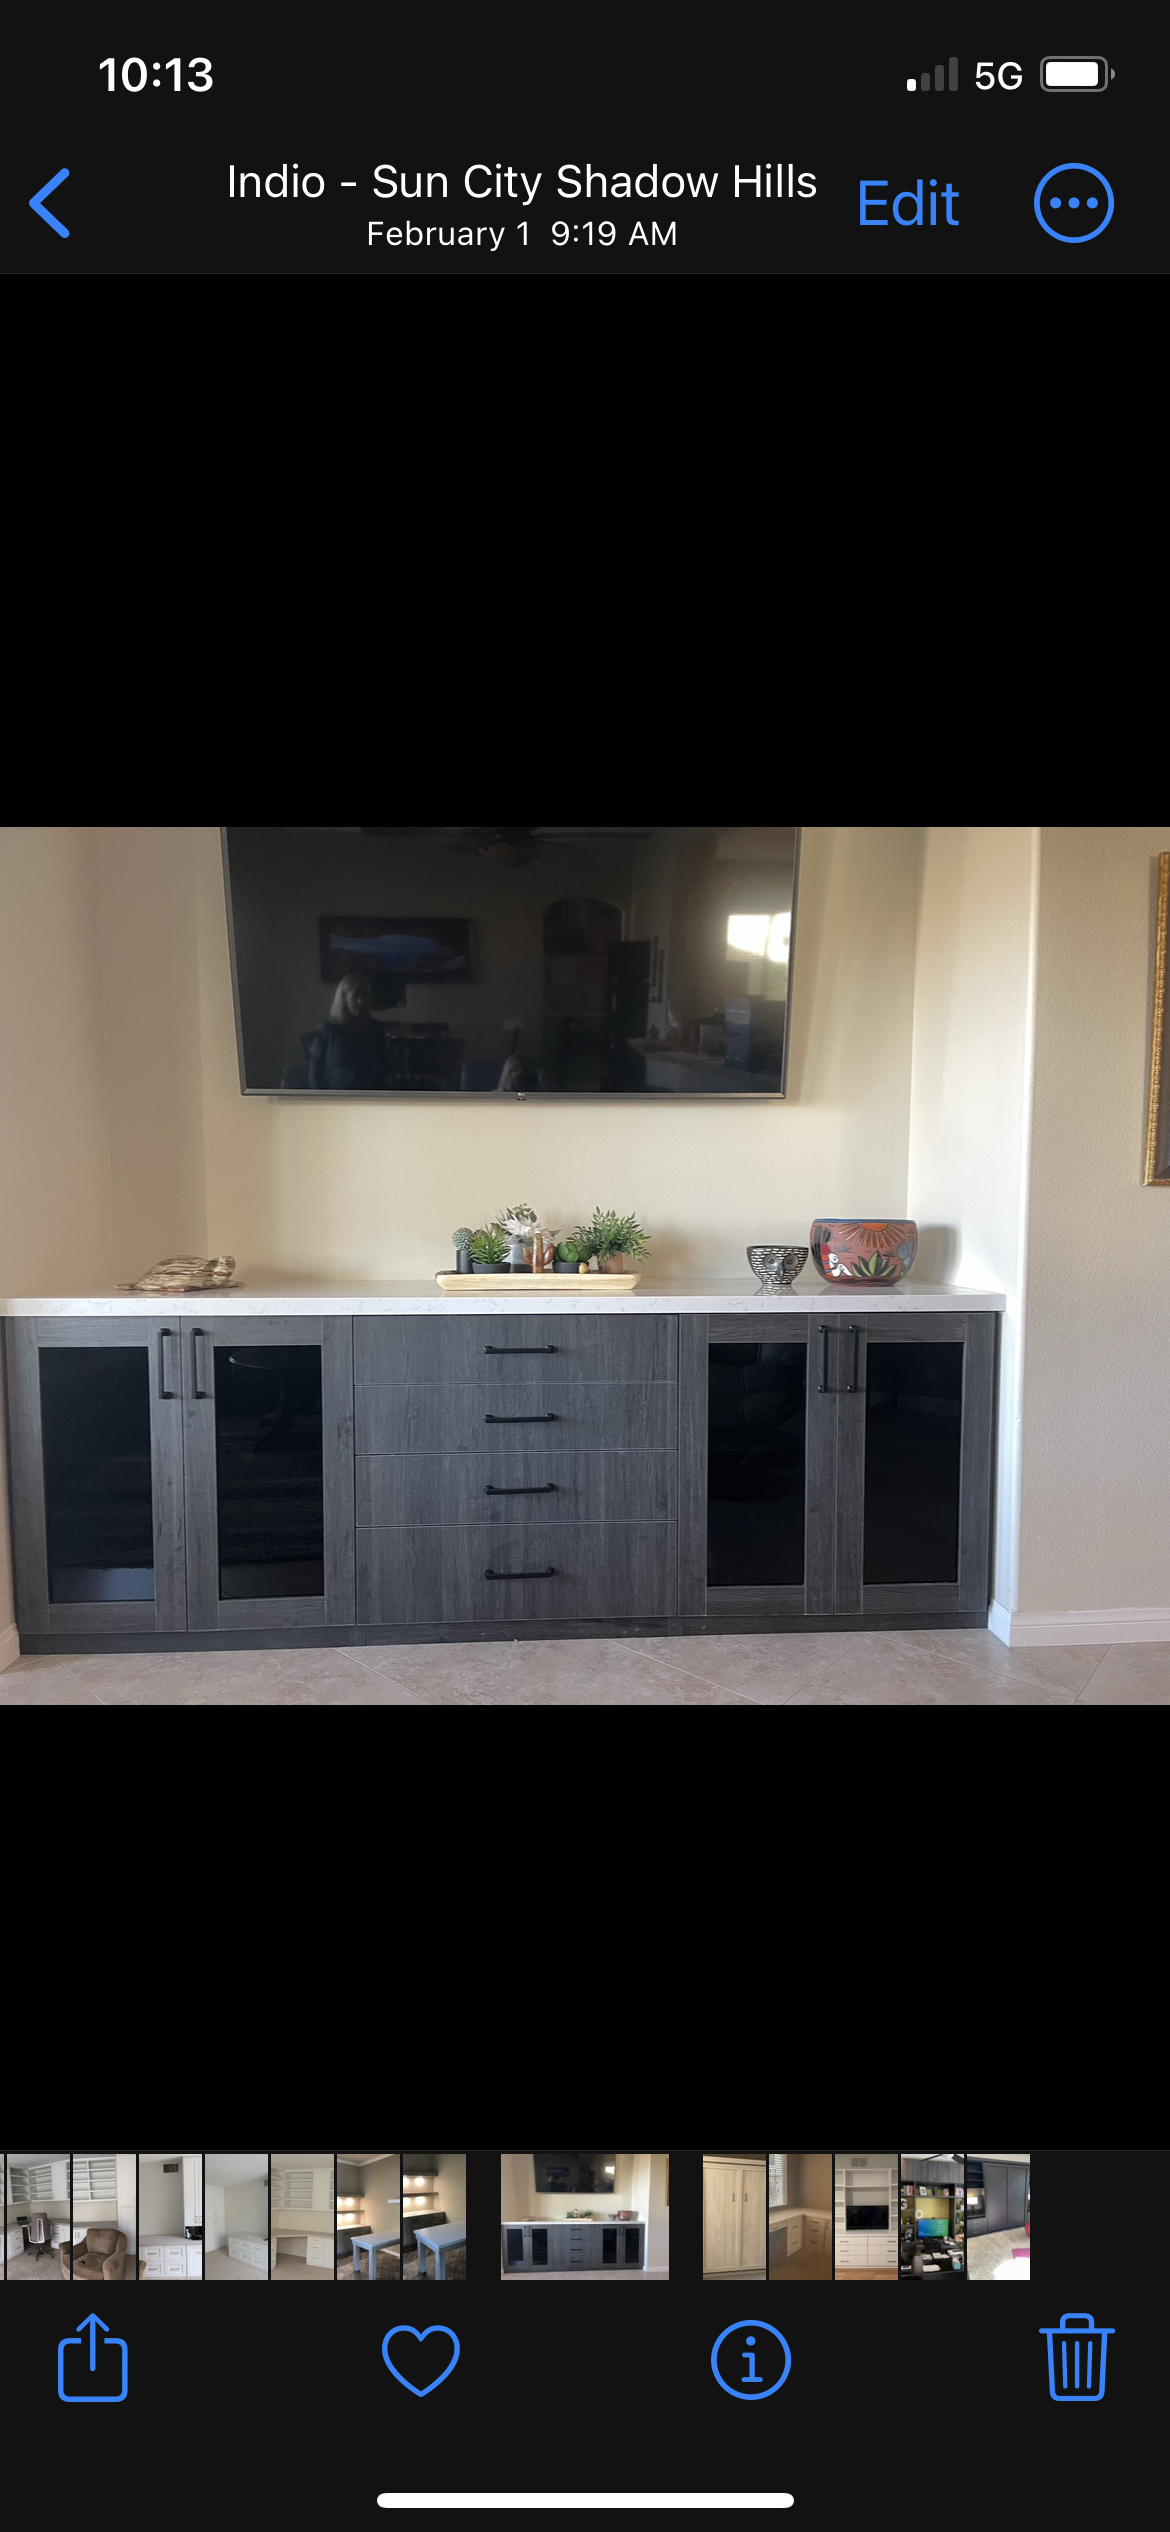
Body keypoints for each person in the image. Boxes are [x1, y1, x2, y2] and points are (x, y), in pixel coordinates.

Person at [309, 974, 391, 1089]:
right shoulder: (328, 1029)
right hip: (337, 1098)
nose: (360, 1001)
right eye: (355, 996)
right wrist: (320, 1100)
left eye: (364, 996)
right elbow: (315, 1069)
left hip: (370, 1097)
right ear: (344, 999)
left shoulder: (375, 1028)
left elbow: (385, 1067)